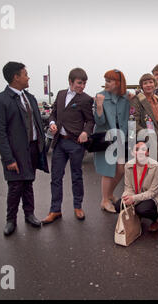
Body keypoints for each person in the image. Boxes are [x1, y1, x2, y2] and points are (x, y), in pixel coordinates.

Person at [0, 61, 49, 236]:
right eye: (25, 74)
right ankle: (11, 220)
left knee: (28, 183)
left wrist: (41, 147)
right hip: (15, 153)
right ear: (16, 77)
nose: (28, 77)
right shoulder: (0, 100)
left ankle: (29, 214)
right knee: (15, 186)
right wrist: (8, 159)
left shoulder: (30, 98)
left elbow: (38, 124)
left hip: (32, 149)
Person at [42, 68, 95, 224]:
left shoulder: (86, 99)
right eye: (79, 83)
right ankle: (55, 210)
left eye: (84, 83)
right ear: (70, 81)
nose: (82, 86)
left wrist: (86, 132)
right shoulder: (60, 94)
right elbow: (53, 113)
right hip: (59, 142)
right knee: (56, 177)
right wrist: (52, 122)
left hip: (75, 144)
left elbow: (90, 121)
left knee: (76, 177)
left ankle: (78, 207)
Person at [94, 69, 130, 213]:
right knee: (108, 170)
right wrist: (99, 106)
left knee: (121, 170)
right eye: (106, 80)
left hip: (121, 138)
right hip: (106, 138)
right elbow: (100, 122)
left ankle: (109, 195)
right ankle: (104, 200)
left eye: (109, 81)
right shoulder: (100, 96)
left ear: (118, 83)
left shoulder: (127, 96)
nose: (106, 84)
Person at [114, 141, 158, 232]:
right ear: (132, 152)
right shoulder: (128, 165)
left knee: (142, 209)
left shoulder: (156, 167)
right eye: (136, 149)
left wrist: (133, 198)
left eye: (143, 149)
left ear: (148, 152)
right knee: (118, 206)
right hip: (137, 194)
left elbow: (152, 192)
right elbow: (128, 187)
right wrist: (127, 196)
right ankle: (135, 216)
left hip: (155, 197)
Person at [131, 73, 158, 162]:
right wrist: (147, 135)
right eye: (145, 83)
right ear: (142, 86)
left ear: (155, 84)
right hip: (145, 140)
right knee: (148, 171)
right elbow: (133, 123)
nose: (148, 85)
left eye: (151, 82)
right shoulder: (136, 100)